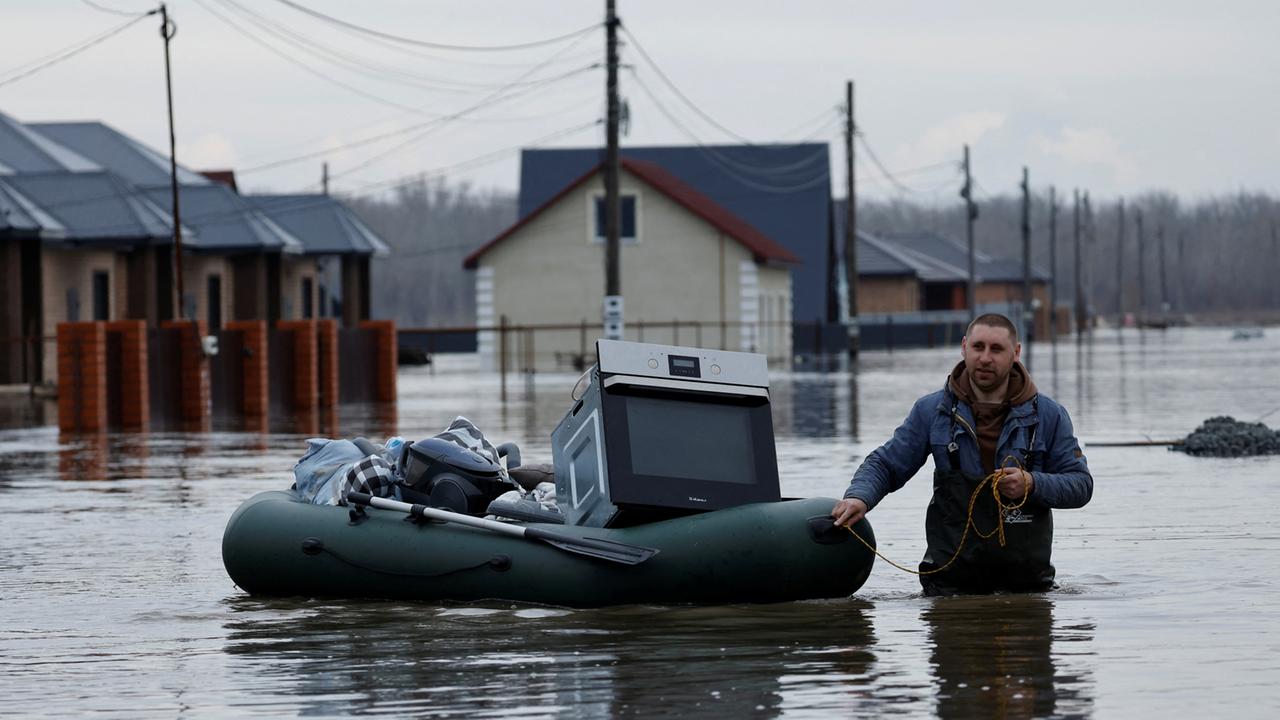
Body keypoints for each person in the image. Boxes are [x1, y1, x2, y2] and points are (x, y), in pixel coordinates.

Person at [832, 313, 1093, 595]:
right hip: (948, 587)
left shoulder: (1049, 416)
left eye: (997, 349)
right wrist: (859, 497)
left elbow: (1081, 485)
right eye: (978, 347)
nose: (985, 358)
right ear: (964, 347)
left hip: (1028, 591)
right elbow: (886, 465)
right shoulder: (931, 411)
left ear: (1016, 353)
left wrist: (1032, 484)